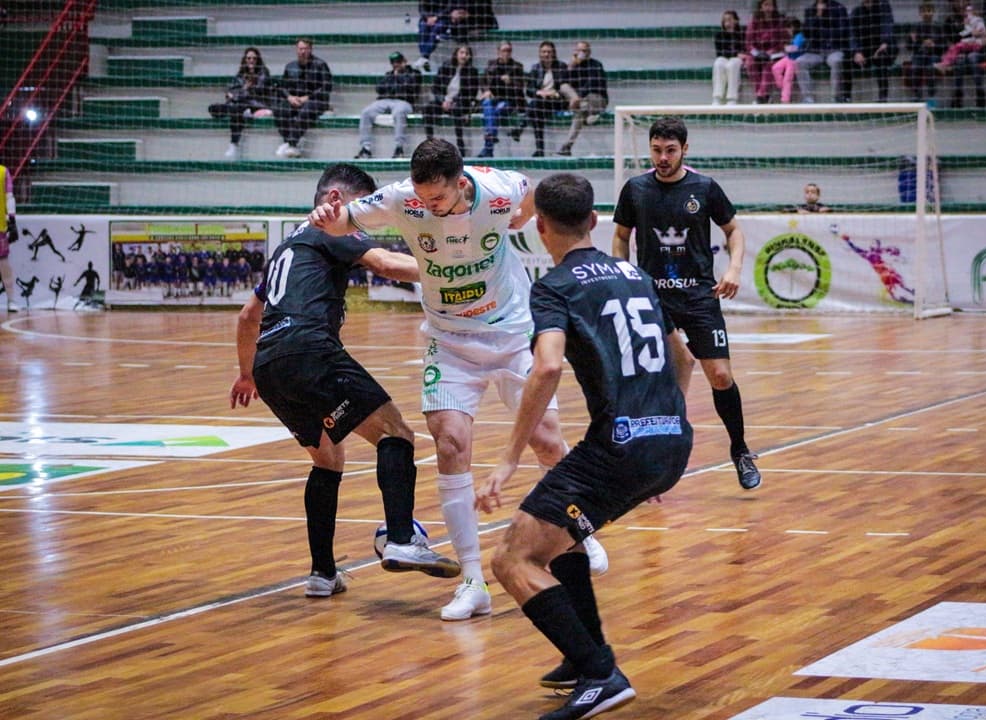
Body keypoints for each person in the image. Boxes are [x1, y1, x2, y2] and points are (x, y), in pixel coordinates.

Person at [307, 139, 607, 621]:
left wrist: (522, 216)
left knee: (548, 442)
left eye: (439, 199)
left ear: (460, 183)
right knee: (450, 443)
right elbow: (343, 222)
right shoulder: (403, 198)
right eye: (423, 200)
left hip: (510, 332)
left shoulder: (496, 187)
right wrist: (329, 215)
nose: (430, 207)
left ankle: (579, 532)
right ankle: (472, 581)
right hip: (448, 340)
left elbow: (532, 190)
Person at [477, 173, 692, 720]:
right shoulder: (636, 274)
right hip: (671, 439)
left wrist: (507, 458)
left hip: (618, 449)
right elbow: (684, 360)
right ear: (594, 220)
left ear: (540, 227)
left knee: (512, 558)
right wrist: (661, 430)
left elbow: (547, 365)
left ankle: (600, 673)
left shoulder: (554, 287)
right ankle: (585, 659)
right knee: (561, 535)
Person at [230, 163, 461, 597]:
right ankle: (401, 539)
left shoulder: (287, 246)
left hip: (269, 364)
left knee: (327, 460)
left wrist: (247, 374)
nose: (365, 218)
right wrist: (454, 270)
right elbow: (387, 264)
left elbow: (248, 317)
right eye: (364, 207)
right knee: (396, 432)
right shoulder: (333, 228)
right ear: (336, 199)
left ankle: (322, 574)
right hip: (309, 349)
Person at [612, 116, 762, 492]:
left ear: (685, 150)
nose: (663, 157)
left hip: (698, 294)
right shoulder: (635, 189)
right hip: (652, 297)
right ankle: (656, 462)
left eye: (670, 150)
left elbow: (734, 231)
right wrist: (624, 274)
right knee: (667, 378)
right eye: (657, 150)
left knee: (721, 376)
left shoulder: (705, 188)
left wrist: (734, 268)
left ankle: (740, 450)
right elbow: (620, 236)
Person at [511, 41, 578, 157]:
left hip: (558, 101)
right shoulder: (535, 68)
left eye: (549, 52)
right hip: (541, 102)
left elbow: (566, 85)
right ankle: (539, 150)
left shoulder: (561, 66)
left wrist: (554, 93)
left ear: (554, 53)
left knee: (535, 106)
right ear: (540, 54)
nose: (546, 54)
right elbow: (529, 90)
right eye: (543, 52)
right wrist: (539, 92)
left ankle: (521, 127)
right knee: (537, 113)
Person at [270, 37, 332, 158]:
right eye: (300, 49)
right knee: (280, 109)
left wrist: (307, 97)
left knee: (307, 109)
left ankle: (291, 143)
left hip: (315, 101)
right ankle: (290, 142)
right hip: (294, 100)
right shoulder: (290, 66)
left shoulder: (320, 65)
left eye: (305, 49)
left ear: (310, 49)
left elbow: (326, 88)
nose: (302, 51)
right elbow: (282, 86)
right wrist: (289, 97)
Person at [208, 47, 274, 160]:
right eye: (249, 58)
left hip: (255, 104)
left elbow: (257, 92)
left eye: (254, 58)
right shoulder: (239, 76)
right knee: (213, 108)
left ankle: (233, 144)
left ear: (258, 60)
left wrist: (239, 93)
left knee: (236, 106)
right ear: (245, 60)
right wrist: (241, 92)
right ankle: (244, 113)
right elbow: (231, 92)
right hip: (240, 104)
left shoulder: (263, 73)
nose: (251, 60)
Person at [356, 51, 422, 160]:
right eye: (393, 62)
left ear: (404, 61)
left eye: (398, 62)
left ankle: (399, 147)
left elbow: (410, 87)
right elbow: (379, 89)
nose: (396, 64)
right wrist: (394, 78)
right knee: (366, 112)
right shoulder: (388, 75)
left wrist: (398, 77)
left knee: (399, 113)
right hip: (385, 101)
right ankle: (365, 148)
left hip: (404, 102)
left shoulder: (414, 73)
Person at [422, 43, 482, 157]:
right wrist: (443, 100)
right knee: (428, 109)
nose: (464, 56)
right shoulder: (446, 67)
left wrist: (454, 102)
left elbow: (471, 94)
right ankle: (429, 142)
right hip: (443, 102)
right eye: (462, 53)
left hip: (460, 104)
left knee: (458, 111)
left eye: (467, 53)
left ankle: (460, 144)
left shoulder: (472, 72)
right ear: (456, 54)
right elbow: (435, 88)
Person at [414, 1, 498, 74]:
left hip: (480, 20)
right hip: (457, 21)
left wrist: (468, 15)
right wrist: (454, 15)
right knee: (424, 27)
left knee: (448, 27)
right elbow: (422, 7)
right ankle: (424, 58)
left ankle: (466, 65)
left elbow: (486, 9)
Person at [557, 41, 608, 157]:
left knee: (581, 109)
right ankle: (588, 118)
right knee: (564, 87)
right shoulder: (573, 66)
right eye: (579, 50)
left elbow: (593, 84)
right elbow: (561, 83)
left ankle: (567, 145)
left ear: (589, 52)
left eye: (584, 51)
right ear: (575, 52)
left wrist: (578, 98)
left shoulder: (595, 65)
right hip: (580, 102)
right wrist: (571, 67)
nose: (581, 53)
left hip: (596, 99)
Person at [797, 0, 854, 103]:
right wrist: (818, 16)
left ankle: (835, 98)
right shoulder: (810, 10)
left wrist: (823, 29)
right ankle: (808, 98)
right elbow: (806, 33)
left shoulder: (839, 8)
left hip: (834, 49)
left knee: (837, 61)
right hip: (815, 51)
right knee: (799, 62)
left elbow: (842, 31)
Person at [478, 41, 526, 158]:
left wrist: (511, 82)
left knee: (496, 110)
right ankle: (491, 138)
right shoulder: (491, 65)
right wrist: (486, 91)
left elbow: (521, 88)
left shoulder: (517, 67)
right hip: (493, 99)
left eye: (509, 50)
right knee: (487, 102)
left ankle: (488, 144)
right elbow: (483, 81)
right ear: (498, 52)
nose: (506, 53)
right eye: (504, 50)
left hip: (510, 101)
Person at [849, 0, 896, 102]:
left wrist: (884, 42)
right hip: (865, 51)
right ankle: (845, 98)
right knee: (845, 61)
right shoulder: (856, 12)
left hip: (882, 48)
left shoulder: (884, 6)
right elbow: (852, 34)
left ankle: (883, 98)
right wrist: (856, 52)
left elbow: (887, 25)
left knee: (882, 58)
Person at [744, 0, 788, 103]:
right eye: (766, 5)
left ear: (774, 7)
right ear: (761, 7)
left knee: (769, 65)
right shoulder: (754, 22)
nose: (768, 8)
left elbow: (783, 41)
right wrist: (757, 53)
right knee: (750, 63)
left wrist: (772, 51)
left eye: (770, 5)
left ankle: (761, 95)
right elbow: (748, 43)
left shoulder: (779, 21)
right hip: (757, 53)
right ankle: (763, 96)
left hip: (774, 53)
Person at [905, 1, 945, 101]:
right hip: (919, 55)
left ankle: (932, 96)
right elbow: (909, 47)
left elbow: (945, 47)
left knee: (930, 69)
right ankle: (917, 96)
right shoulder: (915, 27)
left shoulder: (938, 27)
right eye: (924, 11)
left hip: (934, 55)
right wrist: (915, 41)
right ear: (920, 13)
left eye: (929, 10)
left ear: (933, 12)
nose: (927, 13)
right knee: (915, 68)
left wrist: (934, 45)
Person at [935, 3, 986, 73]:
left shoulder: (978, 20)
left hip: (976, 44)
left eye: (969, 11)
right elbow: (964, 34)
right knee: (955, 48)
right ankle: (946, 64)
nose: (967, 14)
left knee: (957, 47)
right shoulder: (965, 22)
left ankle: (945, 64)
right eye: (966, 12)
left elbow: (982, 33)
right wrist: (966, 31)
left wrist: (974, 33)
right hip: (968, 43)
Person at [712, 11, 746, 105]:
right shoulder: (719, 35)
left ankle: (732, 98)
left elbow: (743, 49)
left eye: (730, 19)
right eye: (725, 20)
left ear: (735, 20)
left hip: (736, 59)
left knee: (732, 65)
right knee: (718, 64)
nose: (727, 22)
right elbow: (720, 52)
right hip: (725, 57)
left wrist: (736, 54)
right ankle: (717, 97)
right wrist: (735, 53)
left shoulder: (742, 34)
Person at [771, 16, 808, 103]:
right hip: (788, 57)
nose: (788, 30)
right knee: (775, 68)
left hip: (794, 60)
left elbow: (795, 48)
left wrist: (784, 48)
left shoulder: (799, 36)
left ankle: (785, 99)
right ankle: (782, 87)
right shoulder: (791, 37)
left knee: (787, 78)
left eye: (789, 27)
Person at [0, 164, 18, 313]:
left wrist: (12, 221)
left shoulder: (3, 172)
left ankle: (11, 299)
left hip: (0, 226)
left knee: (4, 264)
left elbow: (9, 197)